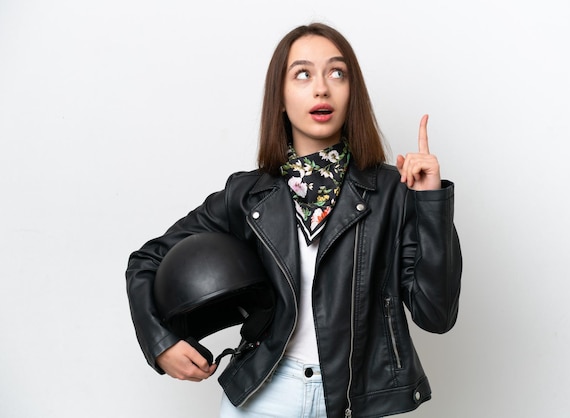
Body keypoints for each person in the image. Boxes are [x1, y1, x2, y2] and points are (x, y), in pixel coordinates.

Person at [126, 22, 462, 418]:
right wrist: (161, 342)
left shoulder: (393, 192)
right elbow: (148, 259)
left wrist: (431, 203)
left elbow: (436, 316)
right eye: (302, 74)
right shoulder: (249, 195)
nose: (322, 88)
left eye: (337, 73)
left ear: (352, 94)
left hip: (359, 400)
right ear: (281, 99)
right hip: (266, 395)